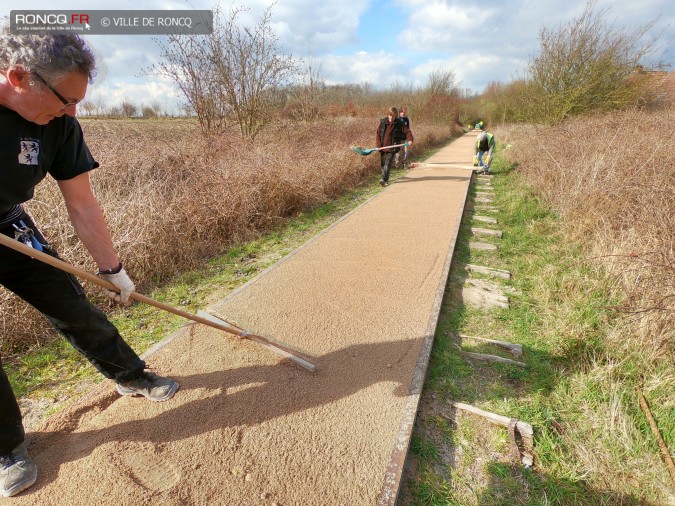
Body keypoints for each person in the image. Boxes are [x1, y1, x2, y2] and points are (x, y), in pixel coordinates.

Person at [0, 31, 179, 497]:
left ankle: (129, 375)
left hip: (8, 221)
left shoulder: (58, 123)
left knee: (69, 301)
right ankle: (7, 448)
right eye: (66, 99)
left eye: (79, 100)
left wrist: (111, 268)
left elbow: (81, 204)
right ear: (18, 78)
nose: (73, 111)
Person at [376, 106, 413, 186]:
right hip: (383, 147)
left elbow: (407, 131)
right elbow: (378, 134)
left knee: (388, 163)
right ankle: (386, 179)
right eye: (390, 115)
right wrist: (379, 145)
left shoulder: (399, 123)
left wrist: (410, 139)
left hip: (392, 147)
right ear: (388, 114)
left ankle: (383, 180)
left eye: (393, 116)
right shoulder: (383, 122)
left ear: (396, 116)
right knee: (383, 164)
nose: (391, 117)